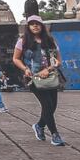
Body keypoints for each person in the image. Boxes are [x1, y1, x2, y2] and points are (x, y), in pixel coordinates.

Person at [13, 15, 65, 145]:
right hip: (33, 78)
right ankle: (55, 135)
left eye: (38, 23)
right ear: (28, 27)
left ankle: (39, 126)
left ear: (42, 26)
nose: (35, 26)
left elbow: (58, 60)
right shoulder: (23, 41)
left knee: (52, 107)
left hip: (51, 76)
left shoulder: (50, 40)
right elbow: (16, 58)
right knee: (46, 105)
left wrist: (49, 68)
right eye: (32, 24)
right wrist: (25, 69)